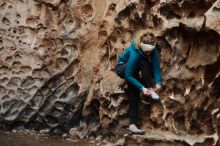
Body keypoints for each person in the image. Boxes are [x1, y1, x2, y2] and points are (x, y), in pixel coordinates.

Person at [116, 31, 162, 135]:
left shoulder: (151, 50)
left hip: (135, 70)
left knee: (134, 93)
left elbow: (155, 67)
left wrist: (158, 82)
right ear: (141, 46)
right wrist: (142, 87)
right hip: (123, 68)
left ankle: (132, 126)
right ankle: (147, 87)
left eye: (151, 51)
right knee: (144, 61)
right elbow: (128, 75)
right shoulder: (135, 52)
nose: (149, 53)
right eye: (147, 51)